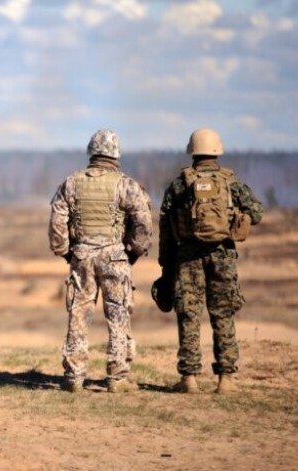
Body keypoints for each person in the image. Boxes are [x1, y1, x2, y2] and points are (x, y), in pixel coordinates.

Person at [158, 128, 263, 394]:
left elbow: (166, 226)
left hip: (187, 258)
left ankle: (189, 379)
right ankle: (226, 379)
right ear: (217, 151)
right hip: (222, 255)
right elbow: (257, 213)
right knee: (223, 314)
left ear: (192, 151)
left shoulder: (180, 184)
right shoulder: (231, 182)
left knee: (189, 316)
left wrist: (166, 264)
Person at [48, 129, 152, 393]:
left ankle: (74, 377)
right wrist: (134, 252)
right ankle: (117, 378)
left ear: (91, 152)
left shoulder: (71, 183)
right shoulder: (126, 184)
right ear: (115, 154)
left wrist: (66, 251)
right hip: (115, 256)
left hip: (82, 256)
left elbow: (57, 219)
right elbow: (143, 221)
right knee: (118, 315)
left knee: (78, 314)